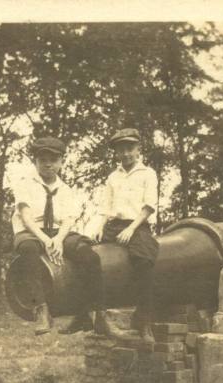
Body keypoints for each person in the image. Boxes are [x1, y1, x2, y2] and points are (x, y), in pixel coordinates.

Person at [11, 136, 115, 337]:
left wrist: (58, 239)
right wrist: (45, 239)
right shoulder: (25, 184)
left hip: (57, 232)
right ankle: (41, 309)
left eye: (53, 159)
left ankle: (94, 314)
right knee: (28, 250)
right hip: (31, 231)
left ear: (61, 162)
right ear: (36, 162)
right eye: (43, 160)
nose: (48, 164)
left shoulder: (66, 190)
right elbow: (26, 217)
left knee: (89, 256)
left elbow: (68, 220)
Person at [92, 128, 159, 343]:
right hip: (113, 225)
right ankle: (95, 316)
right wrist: (101, 227)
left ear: (138, 149)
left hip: (137, 224)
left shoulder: (148, 173)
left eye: (130, 148)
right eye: (121, 150)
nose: (126, 153)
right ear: (117, 153)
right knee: (91, 258)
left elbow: (149, 206)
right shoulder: (113, 177)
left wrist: (131, 229)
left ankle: (144, 320)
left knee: (144, 260)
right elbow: (107, 206)